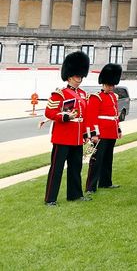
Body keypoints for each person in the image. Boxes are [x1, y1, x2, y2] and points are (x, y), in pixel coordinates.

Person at [44, 51, 91, 206]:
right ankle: (50, 198)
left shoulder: (83, 94)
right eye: (77, 76)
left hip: (77, 138)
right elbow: (49, 112)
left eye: (81, 76)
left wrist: (86, 134)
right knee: (56, 169)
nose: (80, 79)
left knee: (76, 168)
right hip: (62, 137)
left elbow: (85, 117)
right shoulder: (60, 94)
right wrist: (64, 116)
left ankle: (75, 195)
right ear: (69, 76)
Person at [85, 63, 123, 193]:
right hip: (101, 133)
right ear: (103, 84)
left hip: (111, 132)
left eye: (112, 85)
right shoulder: (96, 97)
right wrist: (93, 134)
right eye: (109, 85)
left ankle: (105, 182)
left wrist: (118, 129)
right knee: (96, 160)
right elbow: (91, 117)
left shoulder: (113, 97)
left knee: (108, 159)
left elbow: (115, 115)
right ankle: (91, 186)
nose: (111, 87)